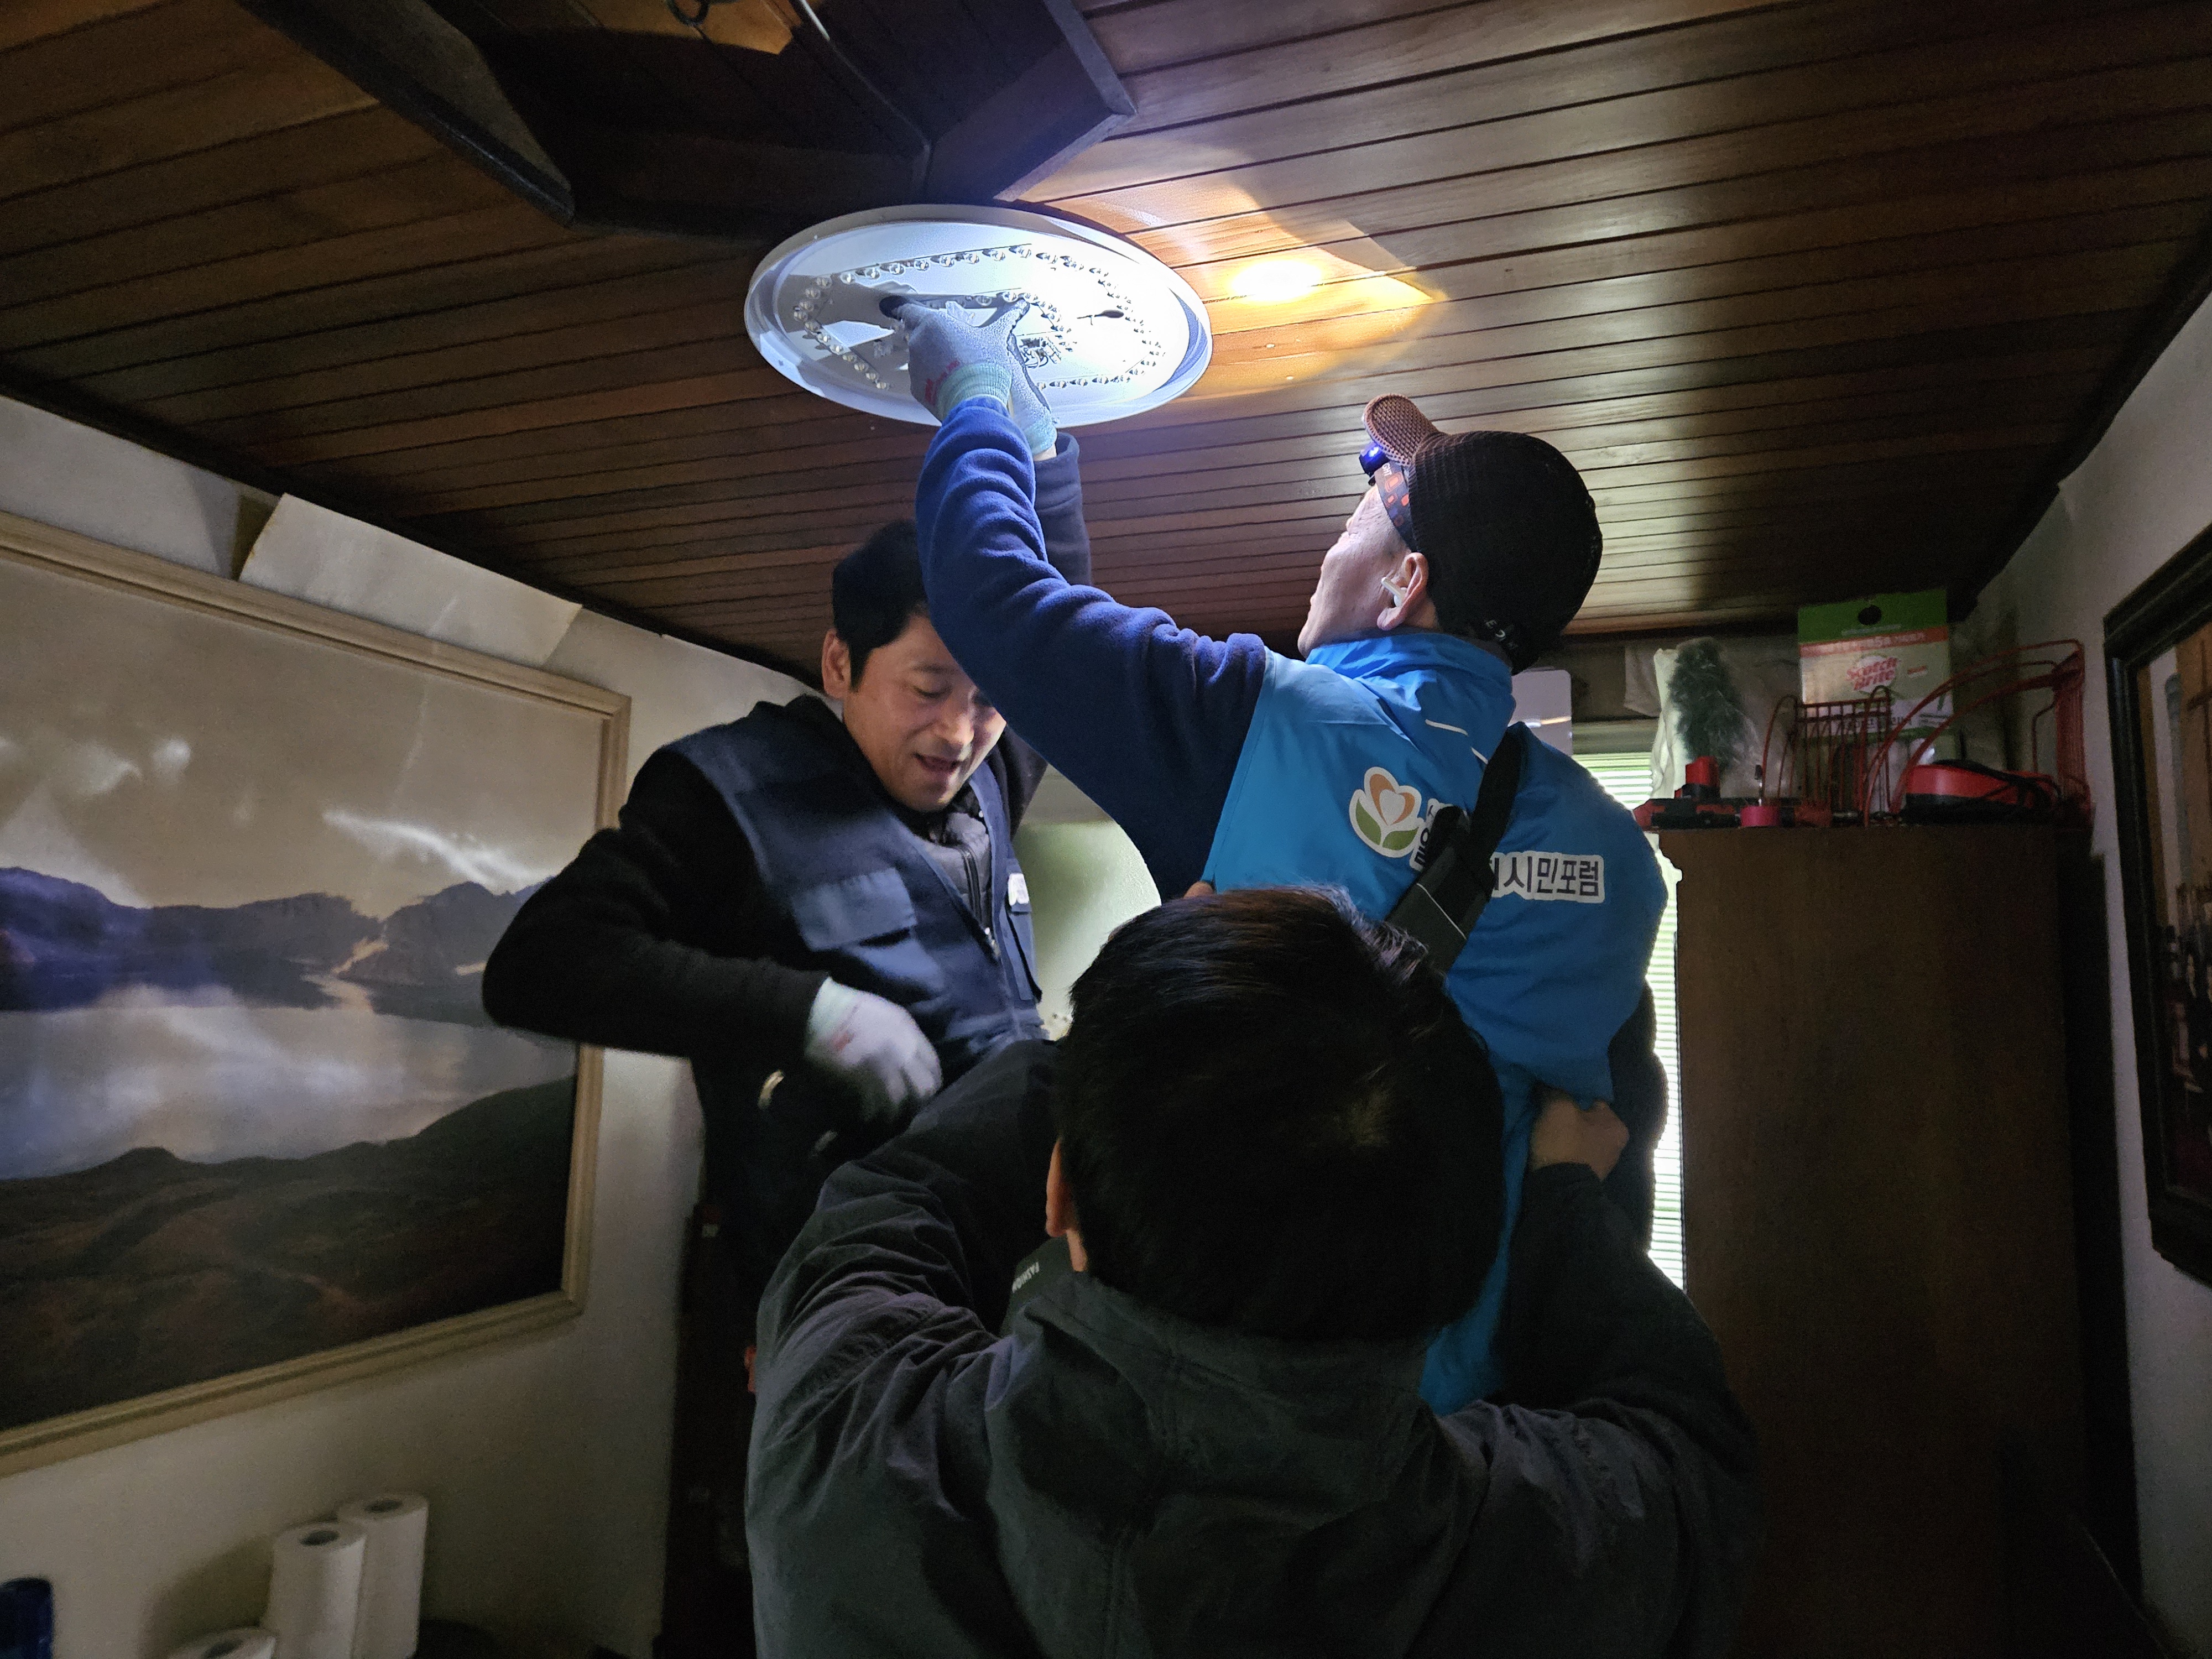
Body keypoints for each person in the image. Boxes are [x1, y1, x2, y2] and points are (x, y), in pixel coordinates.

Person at [890, 301, 1668, 1411]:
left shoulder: (1256, 725)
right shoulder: (1616, 860)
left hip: (1225, 1382)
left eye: (1355, 518)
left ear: (1402, 585)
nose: (1330, 547)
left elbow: (996, 603)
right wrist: (1044, 450)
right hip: (1469, 1418)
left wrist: (974, 399)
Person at [747, 887, 1761, 1658]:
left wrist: (1144, 1031)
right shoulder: (1560, 1564)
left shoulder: (840, 1447)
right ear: (1461, 1257)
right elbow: (1685, 1432)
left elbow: (892, 1206)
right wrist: (1568, 1201)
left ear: (1058, 1197)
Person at [479, 480, 1090, 1651]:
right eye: (928, 687)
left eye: (986, 697)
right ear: (839, 663)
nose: (960, 731)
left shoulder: (986, 776)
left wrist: (1044, 446)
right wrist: (809, 1011)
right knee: (849, 1600)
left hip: (1003, 1287)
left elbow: (1049, 615)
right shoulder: (730, 791)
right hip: (828, 1305)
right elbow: (539, 965)